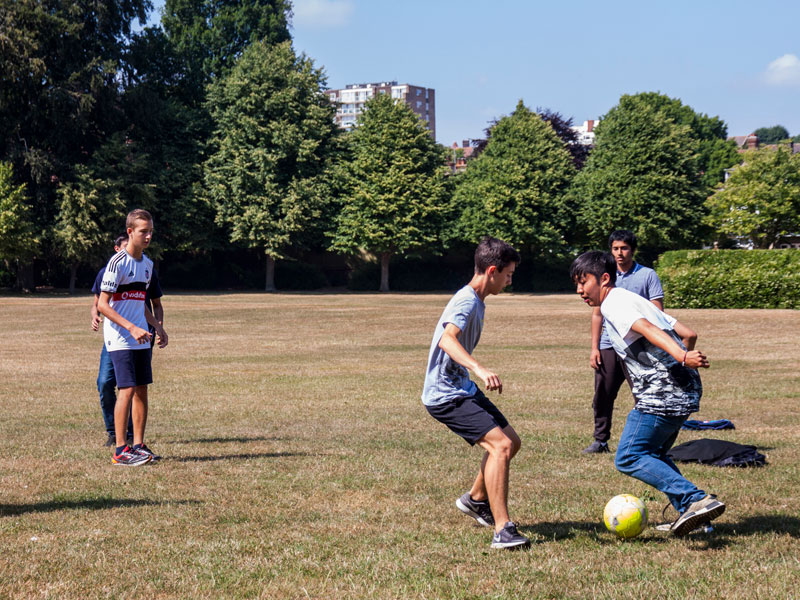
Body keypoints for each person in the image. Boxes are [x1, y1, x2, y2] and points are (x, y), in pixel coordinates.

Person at [570, 251, 726, 535]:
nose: (579, 290)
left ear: (604, 279)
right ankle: (695, 518)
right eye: (576, 284)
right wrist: (684, 356)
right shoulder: (634, 299)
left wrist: (680, 356)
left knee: (629, 456)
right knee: (654, 454)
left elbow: (645, 328)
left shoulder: (613, 304)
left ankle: (696, 500)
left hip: (662, 392)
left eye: (584, 282)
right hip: (683, 390)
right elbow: (687, 332)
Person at [422, 237, 529, 550]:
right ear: (492, 271)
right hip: (445, 395)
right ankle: (503, 530)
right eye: (508, 274)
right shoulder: (467, 301)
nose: (510, 281)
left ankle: (475, 500)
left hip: (461, 387)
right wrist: (479, 369)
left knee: (512, 441)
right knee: (501, 446)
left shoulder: (476, 300)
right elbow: (447, 341)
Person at [583, 230, 664, 454]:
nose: (620, 253)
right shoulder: (604, 275)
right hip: (609, 345)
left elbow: (657, 311)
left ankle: (648, 442)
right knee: (602, 395)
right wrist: (594, 348)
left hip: (636, 345)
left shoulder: (647, 275)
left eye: (624, 248)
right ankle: (600, 441)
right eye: (616, 248)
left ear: (633, 250)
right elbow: (597, 314)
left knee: (644, 394)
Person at [97, 209, 168, 466]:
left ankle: (138, 445)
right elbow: (104, 305)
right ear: (130, 232)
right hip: (120, 337)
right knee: (125, 390)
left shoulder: (147, 266)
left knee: (141, 390)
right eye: (143, 231)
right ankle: (120, 450)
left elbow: (141, 304)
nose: (148, 236)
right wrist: (131, 328)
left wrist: (157, 327)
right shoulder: (117, 264)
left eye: (151, 231)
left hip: (141, 336)